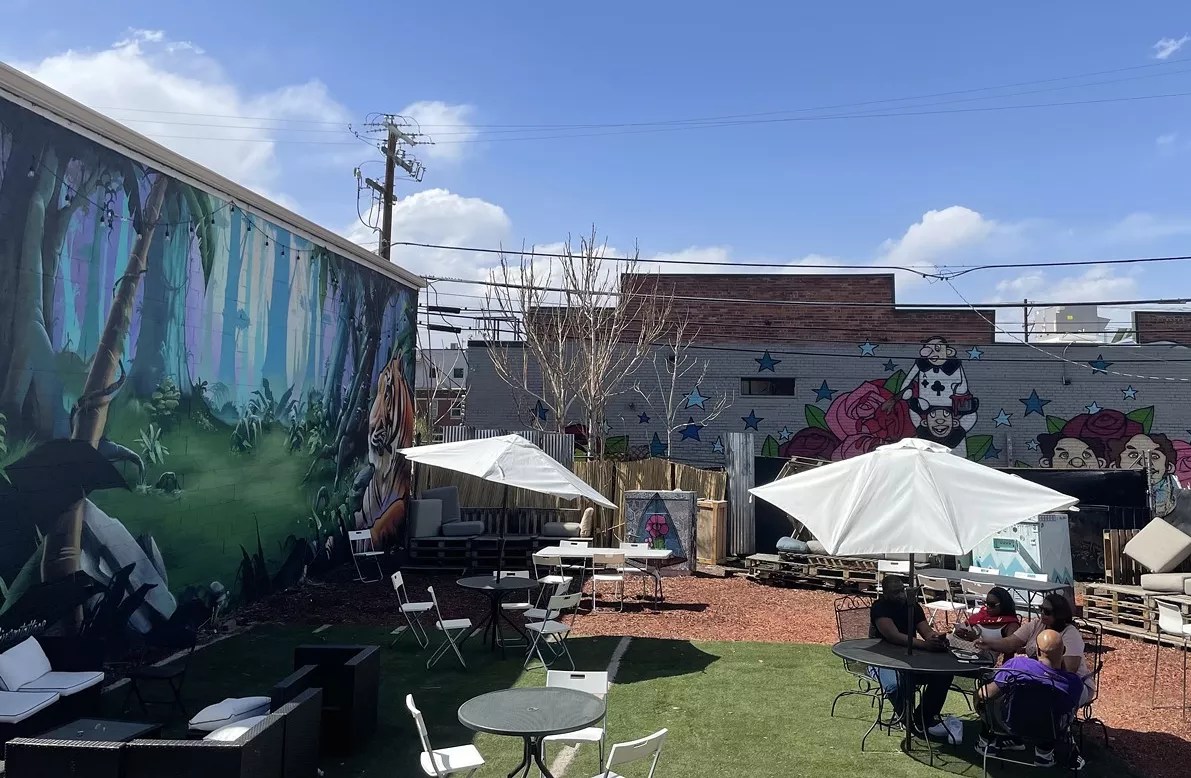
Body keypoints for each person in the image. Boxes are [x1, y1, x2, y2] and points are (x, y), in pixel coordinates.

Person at [975, 629, 1085, 768]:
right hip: (1049, 730)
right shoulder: (1073, 683)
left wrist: (979, 695)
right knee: (1053, 713)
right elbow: (1068, 712)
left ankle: (988, 742)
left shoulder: (1018, 666)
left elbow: (987, 693)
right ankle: (1044, 753)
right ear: (1063, 651)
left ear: (1038, 652)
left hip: (1010, 724)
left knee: (984, 695)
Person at [868, 575, 955, 739]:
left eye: (901, 590)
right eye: (895, 592)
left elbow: (926, 631)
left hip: (910, 658)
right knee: (895, 685)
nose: (900, 595)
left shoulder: (913, 606)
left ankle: (922, 718)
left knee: (944, 674)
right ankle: (908, 721)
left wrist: (937, 639)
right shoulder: (879, 607)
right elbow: (893, 636)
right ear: (885, 593)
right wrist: (925, 645)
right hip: (881, 659)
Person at [976, 593, 1094, 706]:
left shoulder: (1070, 633)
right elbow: (1010, 643)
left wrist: (1029, 668)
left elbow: (1069, 670)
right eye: (1041, 609)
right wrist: (989, 643)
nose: (1042, 613)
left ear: (1059, 614)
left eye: (1047, 612)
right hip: (1039, 679)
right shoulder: (1037, 625)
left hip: (1068, 684)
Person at [954, 586, 1021, 642]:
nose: (988, 607)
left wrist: (977, 639)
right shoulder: (980, 616)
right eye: (986, 603)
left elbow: (1009, 650)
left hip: (986, 657)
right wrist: (960, 633)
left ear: (1003, 605)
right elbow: (965, 627)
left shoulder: (1010, 625)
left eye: (992, 604)